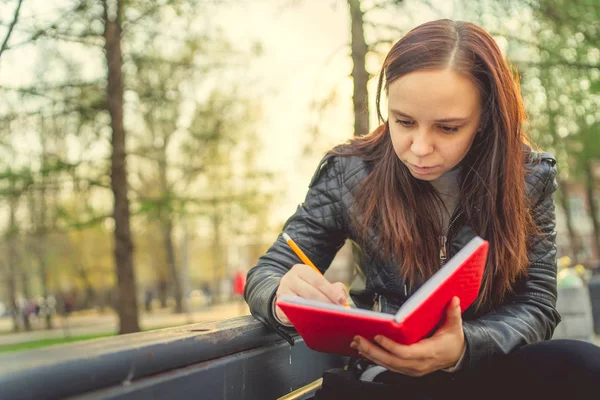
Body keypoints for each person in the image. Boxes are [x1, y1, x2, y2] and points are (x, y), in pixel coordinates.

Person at [244, 19, 600, 400]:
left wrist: (464, 346)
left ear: (485, 120)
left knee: (582, 365)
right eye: (404, 121)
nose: (419, 147)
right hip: (386, 375)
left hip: (483, 366)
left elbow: (537, 305)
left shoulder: (527, 177)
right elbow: (267, 272)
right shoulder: (350, 171)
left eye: (447, 128)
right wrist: (282, 295)